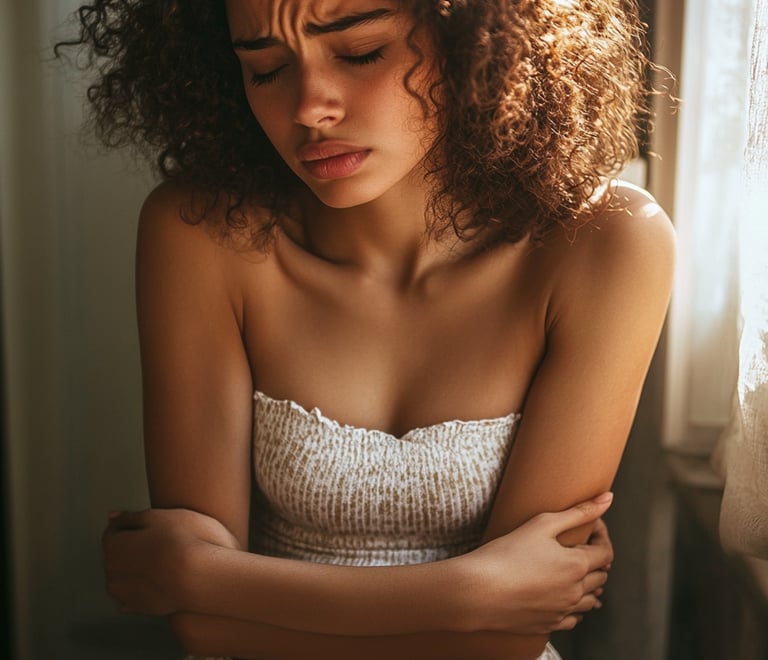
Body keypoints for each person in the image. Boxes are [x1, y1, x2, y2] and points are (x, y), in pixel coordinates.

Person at [58, 0, 675, 658]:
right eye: (266, 70)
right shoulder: (201, 233)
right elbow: (198, 624)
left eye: (360, 53)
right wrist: (472, 592)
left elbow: (505, 642)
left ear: (475, 40)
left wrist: (206, 577)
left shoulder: (609, 245)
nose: (309, 109)